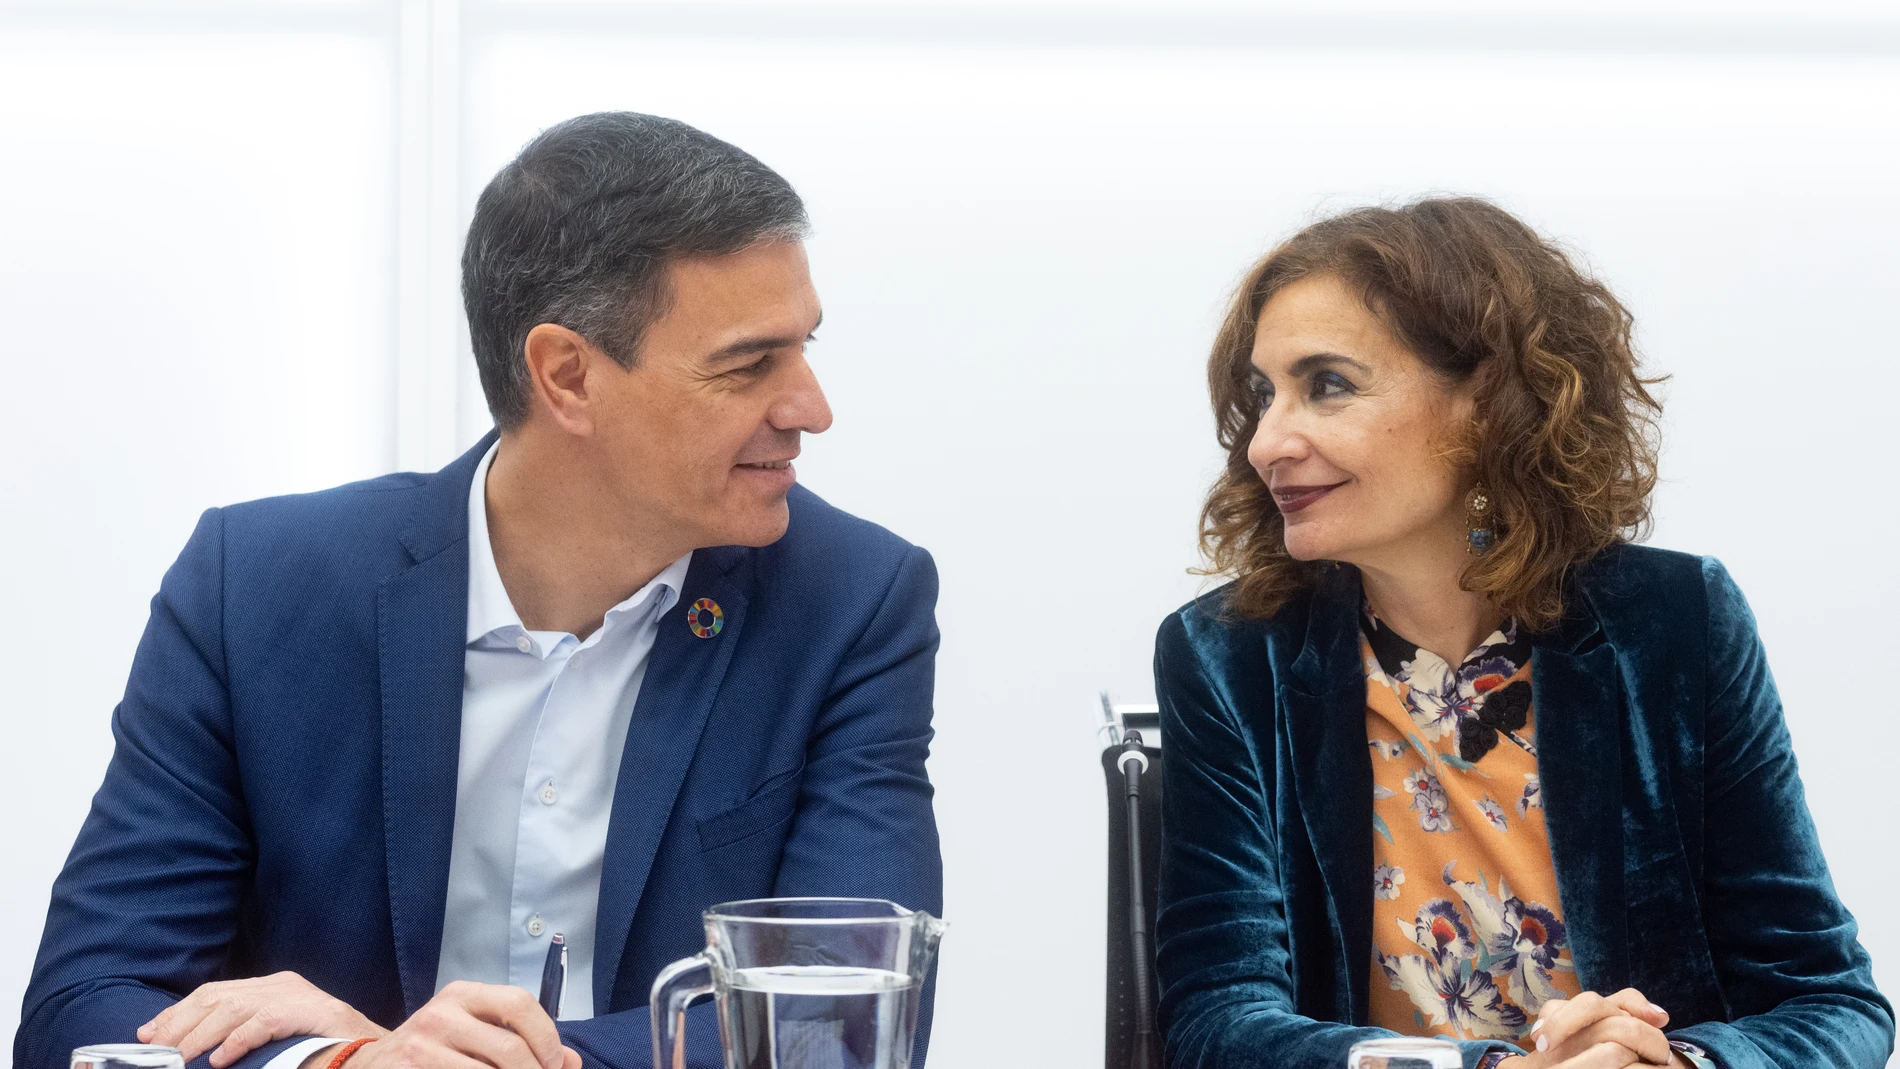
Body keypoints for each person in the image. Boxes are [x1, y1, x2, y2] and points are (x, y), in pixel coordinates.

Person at [16, 113, 942, 1069]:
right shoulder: (251, 585)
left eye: (805, 348)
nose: (812, 409)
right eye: (749, 364)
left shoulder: (854, 603)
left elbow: (840, 1024)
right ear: (567, 375)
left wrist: (414, 1058)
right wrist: (333, 1064)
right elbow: (79, 1010)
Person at [1152, 197, 1893, 1068]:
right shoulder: (1230, 656)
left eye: (1328, 384)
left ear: (1486, 400)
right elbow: (1217, 1024)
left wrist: (1674, 1063)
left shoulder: (1678, 622)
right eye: (1264, 394)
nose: (1266, 441)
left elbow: (1827, 1001)